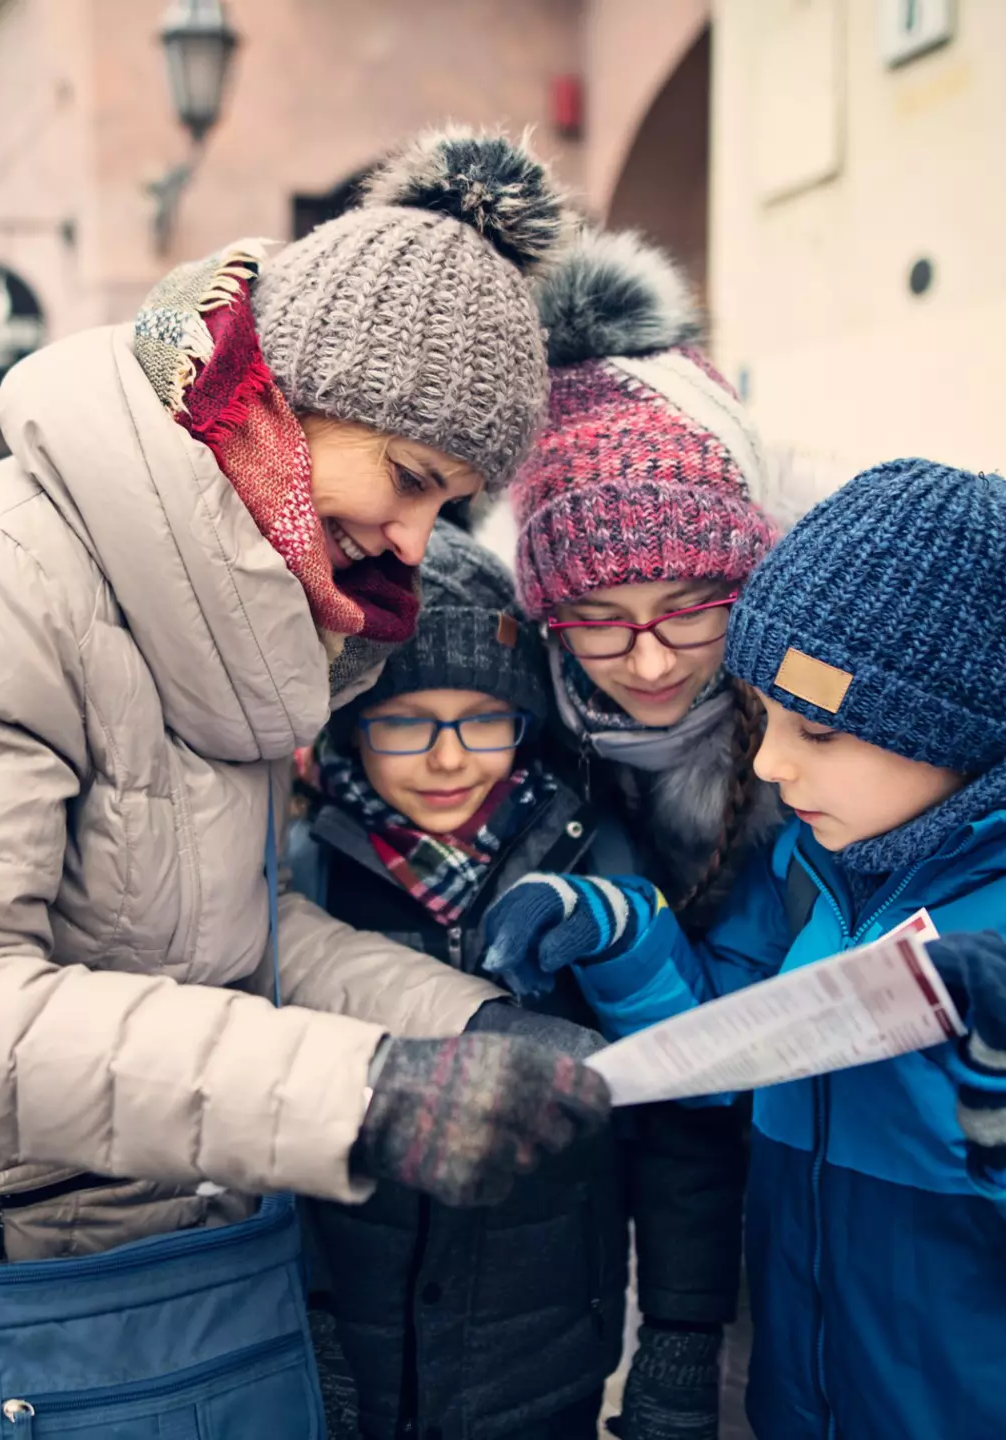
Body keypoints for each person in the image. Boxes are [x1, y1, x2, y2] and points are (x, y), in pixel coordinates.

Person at [0, 128, 611, 1440]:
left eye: (453, 507)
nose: (414, 543)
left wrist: (464, 1027)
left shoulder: (256, 601)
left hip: (152, 1278)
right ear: (290, 392)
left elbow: (219, 931)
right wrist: (360, 1096)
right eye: (409, 481)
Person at [482, 459, 1006, 1440]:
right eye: (766, 716)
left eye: (817, 731)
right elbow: (727, 1054)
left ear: (951, 728)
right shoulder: (815, 867)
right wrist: (616, 932)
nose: (769, 765)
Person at [506, 226, 789, 1431]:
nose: (653, 658)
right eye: (601, 619)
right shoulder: (502, 738)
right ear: (541, 618)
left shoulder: (822, 733)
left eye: (691, 606)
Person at [291, 523, 656, 1440]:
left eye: (483, 719)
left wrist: (680, 1334)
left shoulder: (594, 863)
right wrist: (309, 1318)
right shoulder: (301, 876)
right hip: (345, 1353)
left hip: (537, 1362)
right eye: (406, 722)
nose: (450, 757)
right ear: (348, 729)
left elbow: (672, 1134)